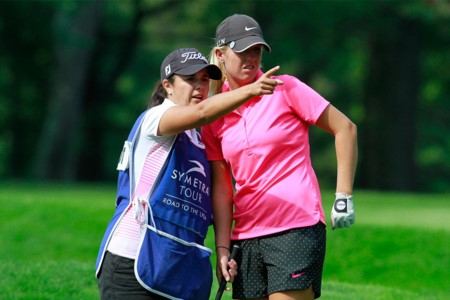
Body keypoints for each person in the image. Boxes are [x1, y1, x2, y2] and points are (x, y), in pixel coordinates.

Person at [95, 47, 283, 300]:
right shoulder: (156, 117)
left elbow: (221, 197)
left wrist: (223, 251)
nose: (200, 86)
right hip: (132, 258)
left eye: (205, 80)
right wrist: (249, 90)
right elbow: (202, 113)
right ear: (167, 86)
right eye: (190, 79)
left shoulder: (203, 140)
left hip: (180, 270)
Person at [202, 14, 358, 300]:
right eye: (243, 51)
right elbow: (223, 188)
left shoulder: (285, 88)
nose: (251, 58)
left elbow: (345, 128)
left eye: (257, 50)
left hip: (296, 226)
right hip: (246, 234)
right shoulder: (213, 113)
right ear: (221, 55)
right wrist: (222, 248)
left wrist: (343, 195)